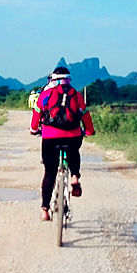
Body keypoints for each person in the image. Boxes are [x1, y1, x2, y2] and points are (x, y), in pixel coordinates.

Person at [29, 66, 95, 221]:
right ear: (69, 80)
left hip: (50, 137)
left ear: (52, 80)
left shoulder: (45, 94)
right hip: (73, 136)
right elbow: (85, 115)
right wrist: (89, 131)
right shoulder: (77, 95)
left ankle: (45, 210)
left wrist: (34, 130)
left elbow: (36, 116)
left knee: (49, 173)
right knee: (74, 151)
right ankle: (74, 177)